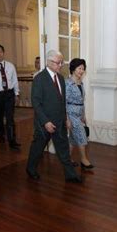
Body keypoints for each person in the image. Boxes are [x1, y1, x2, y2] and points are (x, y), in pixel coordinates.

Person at [26, 50, 81, 183]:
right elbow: (36, 103)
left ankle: (70, 175)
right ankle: (30, 168)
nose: (61, 65)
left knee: (63, 149)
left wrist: (66, 118)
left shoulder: (61, 78)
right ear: (49, 62)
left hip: (60, 121)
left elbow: (62, 102)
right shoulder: (39, 78)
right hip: (44, 123)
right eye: (58, 62)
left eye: (61, 62)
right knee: (38, 148)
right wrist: (46, 122)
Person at [0, 44, 21, 150]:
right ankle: (1, 136)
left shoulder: (10, 65)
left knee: (10, 118)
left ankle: (12, 141)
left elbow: (14, 80)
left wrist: (16, 94)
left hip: (9, 94)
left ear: (4, 52)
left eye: (0, 51)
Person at [65, 58, 93, 169]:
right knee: (82, 136)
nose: (81, 71)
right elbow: (64, 102)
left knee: (72, 138)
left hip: (79, 114)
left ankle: (66, 159)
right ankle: (84, 159)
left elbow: (82, 101)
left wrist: (83, 115)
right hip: (71, 114)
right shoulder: (67, 83)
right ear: (73, 69)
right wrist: (67, 119)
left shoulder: (80, 83)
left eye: (83, 68)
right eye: (79, 68)